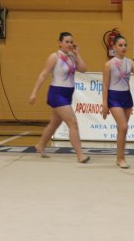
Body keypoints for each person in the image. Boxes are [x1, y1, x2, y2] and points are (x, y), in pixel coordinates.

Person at [29, 32, 89, 162]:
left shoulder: (72, 56)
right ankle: (80, 155)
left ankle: (40, 145)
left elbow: (83, 69)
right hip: (57, 93)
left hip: (68, 93)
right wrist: (34, 92)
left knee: (55, 123)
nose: (69, 44)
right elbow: (43, 74)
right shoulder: (54, 57)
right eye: (66, 42)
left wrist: (77, 53)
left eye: (71, 42)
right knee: (72, 123)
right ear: (60, 43)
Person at [102, 35, 134, 168]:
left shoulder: (131, 63)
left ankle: (119, 157)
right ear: (114, 47)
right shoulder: (108, 64)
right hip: (114, 97)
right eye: (120, 45)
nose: (123, 48)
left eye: (125, 45)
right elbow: (105, 86)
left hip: (126, 96)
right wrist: (104, 104)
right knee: (123, 127)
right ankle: (121, 158)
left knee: (122, 129)